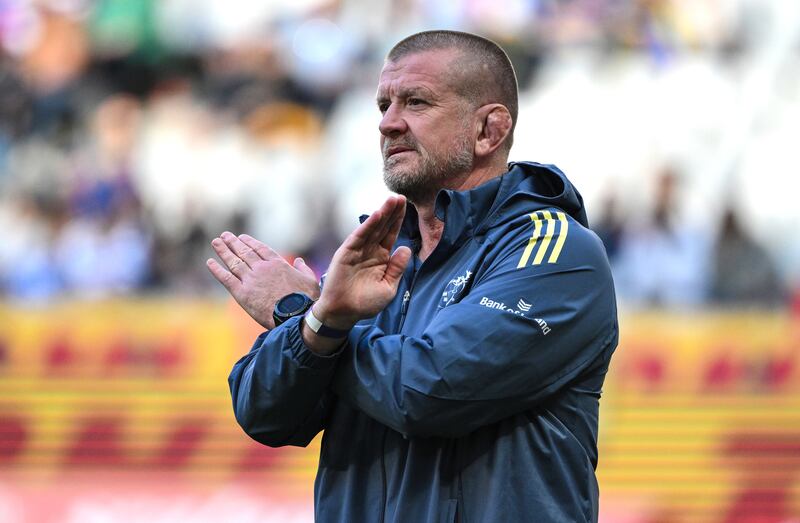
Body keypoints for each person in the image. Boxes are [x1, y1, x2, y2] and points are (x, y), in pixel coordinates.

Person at [208, 30, 618, 523]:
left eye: (416, 102)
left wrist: (305, 317)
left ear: (489, 129)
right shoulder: (371, 249)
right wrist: (319, 325)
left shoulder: (555, 250)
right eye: (383, 104)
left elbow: (429, 391)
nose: (388, 124)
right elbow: (262, 412)